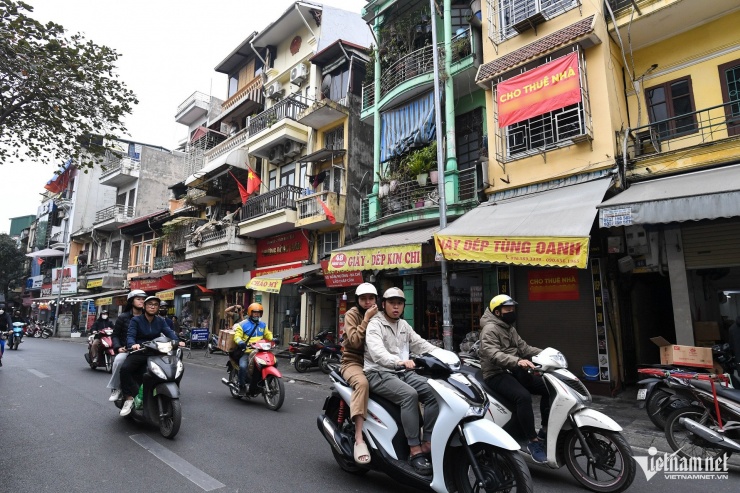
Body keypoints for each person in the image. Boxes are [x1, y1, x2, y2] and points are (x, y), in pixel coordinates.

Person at [364, 287, 438, 475]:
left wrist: (443, 355)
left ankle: (427, 441)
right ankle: (414, 450)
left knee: (434, 392)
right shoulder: (375, 324)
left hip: (402, 372)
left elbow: (420, 344)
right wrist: (398, 361)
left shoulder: (404, 325)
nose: (396, 307)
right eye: (392, 303)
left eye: (399, 303)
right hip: (378, 372)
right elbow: (377, 352)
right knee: (409, 395)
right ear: (384, 305)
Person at [479, 294, 549, 464]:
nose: (511, 311)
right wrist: (517, 361)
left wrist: (546, 353)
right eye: (507, 309)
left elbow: (524, 348)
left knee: (548, 388)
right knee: (523, 397)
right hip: (496, 373)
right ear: (497, 312)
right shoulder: (489, 329)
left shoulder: (509, 327)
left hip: (515, 369)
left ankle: (545, 431)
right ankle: (532, 441)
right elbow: (494, 355)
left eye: (512, 308)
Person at [119, 296, 184, 417]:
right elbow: (131, 335)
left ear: (158, 308)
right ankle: (128, 398)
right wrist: (133, 344)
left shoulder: (160, 321)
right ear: (144, 306)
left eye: (155, 304)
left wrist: (177, 340)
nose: (152, 306)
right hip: (140, 352)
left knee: (171, 368)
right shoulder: (136, 320)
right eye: (150, 304)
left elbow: (169, 332)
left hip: (156, 352)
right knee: (125, 369)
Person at [341, 282, 379, 465]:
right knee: (362, 384)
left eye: (371, 298)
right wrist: (366, 319)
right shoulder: (352, 315)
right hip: (353, 362)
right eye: (363, 299)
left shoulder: (380, 315)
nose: (367, 302)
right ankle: (358, 437)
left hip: (377, 362)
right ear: (357, 300)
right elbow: (355, 342)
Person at [106, 289, 146, 402]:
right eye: (138, 299)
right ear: (131, 301)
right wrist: (118, 347)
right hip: (128, 350)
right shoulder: (123, 317)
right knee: (118, 361)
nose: (141, 301)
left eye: (143, 299)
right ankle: (117, 388)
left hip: (145, 350)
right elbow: (115, 335)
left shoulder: (148, 317)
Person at [233, 303, 272, 395]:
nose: (257, 315)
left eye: (258, 313)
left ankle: (263, 383)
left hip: (261, 352)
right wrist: (240, 342)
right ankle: (242, 386)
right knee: (243, 367)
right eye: (255, 313)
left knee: (274, 362)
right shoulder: (242, 324)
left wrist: (273, 338)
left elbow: (268, 334)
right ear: (250, 313)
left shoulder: (263, 325)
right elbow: (237, 336)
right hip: (247, 352)